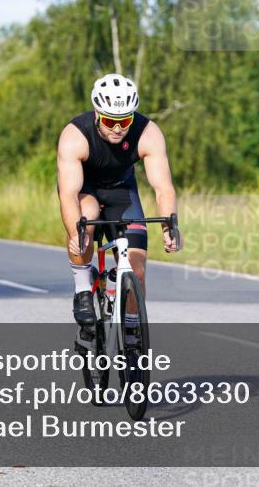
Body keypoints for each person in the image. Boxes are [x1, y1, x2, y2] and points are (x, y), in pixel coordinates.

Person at [56, 73, 181, 329]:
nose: (117, 128)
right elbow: (68, 193)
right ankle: (82, 289)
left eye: (124, 120)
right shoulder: (75, 135)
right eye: (109, 120)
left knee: (137, 270)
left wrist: (170, 226)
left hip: (122, 193)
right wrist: (75, 233)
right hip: (85, 191)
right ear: (97, 114)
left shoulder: (147, 132)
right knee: (85, 220)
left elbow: (163, 187)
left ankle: (132, 330)